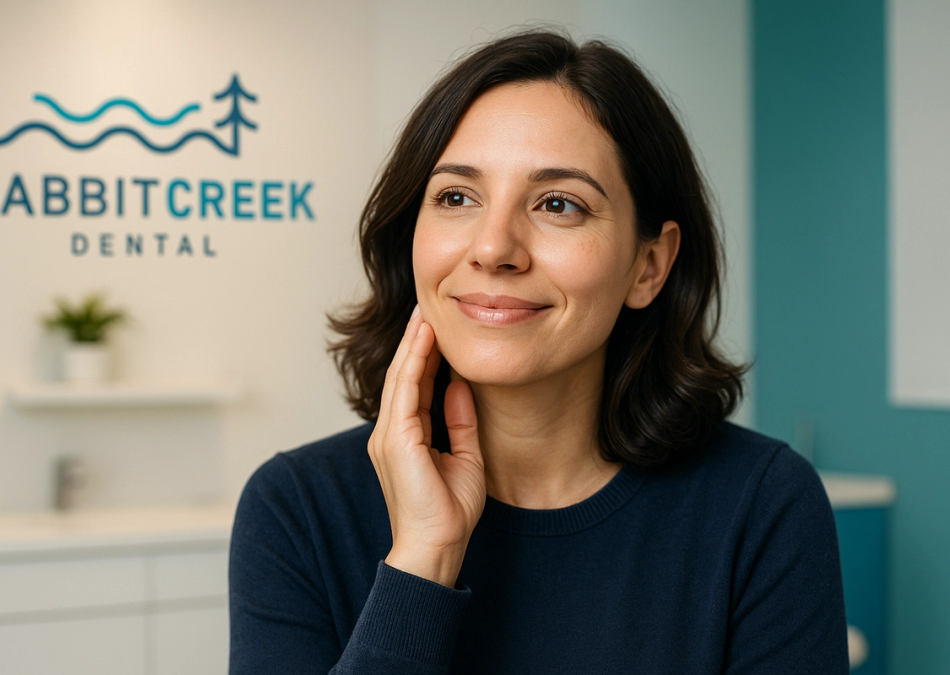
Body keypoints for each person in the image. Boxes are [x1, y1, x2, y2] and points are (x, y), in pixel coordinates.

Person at [229, 30, 849, 674]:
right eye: (456, 197)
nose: (494, 247)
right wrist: (423, 560)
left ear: (649, 264)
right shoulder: (296, 509)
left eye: (559, 204)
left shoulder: (762, 505)